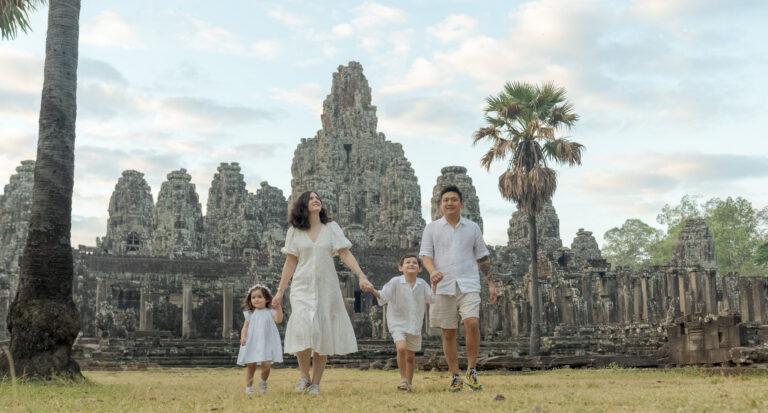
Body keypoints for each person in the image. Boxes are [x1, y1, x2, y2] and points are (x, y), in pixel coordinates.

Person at [272, 191, 374, 395]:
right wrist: (280, 291)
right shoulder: (295, 231)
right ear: (302, 204)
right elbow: (290, 262)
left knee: (322, 332)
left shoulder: (331, 228)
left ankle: (316, 383)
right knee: (303, 328)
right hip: (301, 286)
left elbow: (345, 253)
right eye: (310, 198)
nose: (315, 200)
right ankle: (304, 376)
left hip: (326, 287)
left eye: (317, 198)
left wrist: (361, 275)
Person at [419, 185, 498, 392]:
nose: (450, 203)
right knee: (448, 333)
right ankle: (455, 375)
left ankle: (471, 370)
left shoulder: (472, 227)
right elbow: (426, 255)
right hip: (442, 285)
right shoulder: (432, 228)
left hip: (468, 282)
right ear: (440, 205)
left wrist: (491, 284)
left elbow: (482, 257)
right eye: (446, 200)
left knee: (471, 322)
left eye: (454, 199)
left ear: (462, 203)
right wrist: (432, 270)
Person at [368, 252, 442, 392]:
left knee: (410, 356)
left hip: (414, 323)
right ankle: (403, 379)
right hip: (397, 322)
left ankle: (409, 383)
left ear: (420, 269)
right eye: (407, 262)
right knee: (401, 348)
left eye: (414, 263)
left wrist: (435, 284)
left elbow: (431, 299)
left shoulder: (422, 284)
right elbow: (383, 297)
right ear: (400, 268)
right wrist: (372, 290)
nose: (411, 264)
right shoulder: (395, 281)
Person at [237, 284, 283, 394]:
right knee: (251, 365)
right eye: (253, 297)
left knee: (266, 364)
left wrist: (278, 308)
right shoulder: (250, 313)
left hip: (266, 341)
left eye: (259, 297)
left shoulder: (270, 312)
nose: (256, 299)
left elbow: (278, 320)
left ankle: (263, 381)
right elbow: (245, 327)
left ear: (266, 299)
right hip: (252, 341)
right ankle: (249, 387)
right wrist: (243, 337)